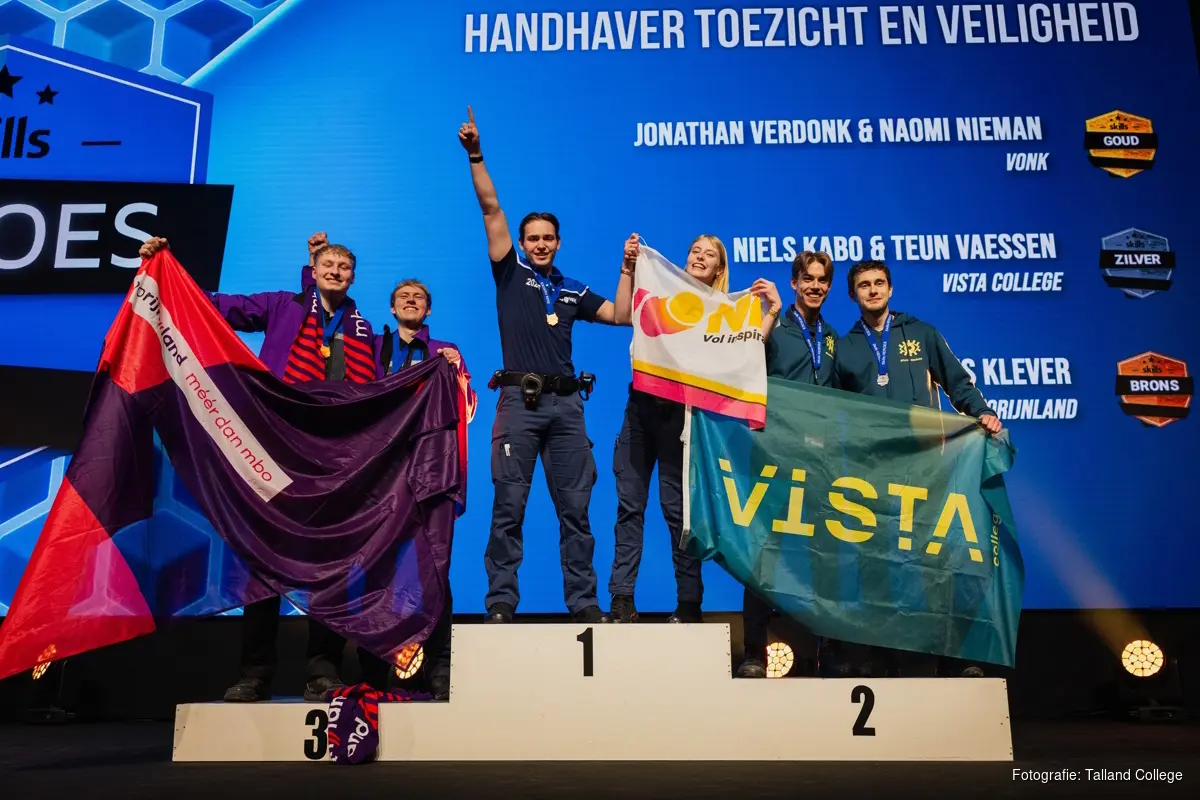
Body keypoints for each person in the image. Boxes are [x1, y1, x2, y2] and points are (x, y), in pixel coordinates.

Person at [138, 232, 389, 702]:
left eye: (344, 267)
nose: (336, 272)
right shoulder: (281, 306)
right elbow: (215, 306)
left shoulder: (364, 331)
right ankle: (254, 673)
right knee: (262, 560)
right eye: (328, 265)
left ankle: (322, 671)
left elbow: (379, 389)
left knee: (331, 564)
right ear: (314, 271)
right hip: (275, 445)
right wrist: (165, 272)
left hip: (334, 458)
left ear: (353, 278)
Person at [458, 106, 625, 624]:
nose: (540, 244)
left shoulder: (573, 289)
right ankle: (501, 604)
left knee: (576, 512)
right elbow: (491, 210)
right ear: (522, 243)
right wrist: (476, 156)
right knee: (509, 508)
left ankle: (584, 604)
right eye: (532, 238)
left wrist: (627, 269)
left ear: (558, 242)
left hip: (567, 407)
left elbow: (621, 315)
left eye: (547, 237)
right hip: (519, 403)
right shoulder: (510, 272)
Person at [833, 259, 1003, 678]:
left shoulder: (922, 333)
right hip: (873, 472)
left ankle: (954, 658)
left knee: (938, 562)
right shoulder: (845, 347)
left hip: (926, 467)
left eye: (879, 283)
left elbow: (958, 383)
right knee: (876, 563)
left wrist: (981, 412)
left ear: (890, 289)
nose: (873, 290)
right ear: (853, 294)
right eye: (864, 285)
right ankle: (881, 654)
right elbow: (829, 409)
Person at [607, 234, 781, 624]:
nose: (700, 257)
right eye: (695, 252)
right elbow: (623, 315)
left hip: (682, 419)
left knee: (679, 513)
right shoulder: (660, 291)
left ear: (719, 268)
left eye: (710, 255)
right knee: (629, 507)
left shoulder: (722, 311)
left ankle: (688, 603)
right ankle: (622, 598)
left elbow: (747, 349)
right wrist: (629, 268)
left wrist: (772, 310)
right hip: (640, 411)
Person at [735, 251, 839, 677]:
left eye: (822, 280)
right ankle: (754, 654)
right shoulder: (773, 326)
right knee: (765, 553)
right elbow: (742, 363)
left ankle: (828, 655)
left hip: (820, 462)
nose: (815, 286)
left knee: (823, 557)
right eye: (807, 279)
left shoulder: (832, 338)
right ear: (794, 282)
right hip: (774, 456)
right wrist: (772, 313)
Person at [378, 278, 477, 699]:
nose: (411, 301)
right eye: (404, 297)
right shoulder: (375, 349)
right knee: (381, 568)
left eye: (418, 297)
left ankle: (439, 665)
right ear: (392, 308)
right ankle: (387, 666)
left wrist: (456, 375)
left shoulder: (444, 352)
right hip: (382, 473)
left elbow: (467, 409)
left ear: (429, 310)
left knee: (432, 568)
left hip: (431, 473)